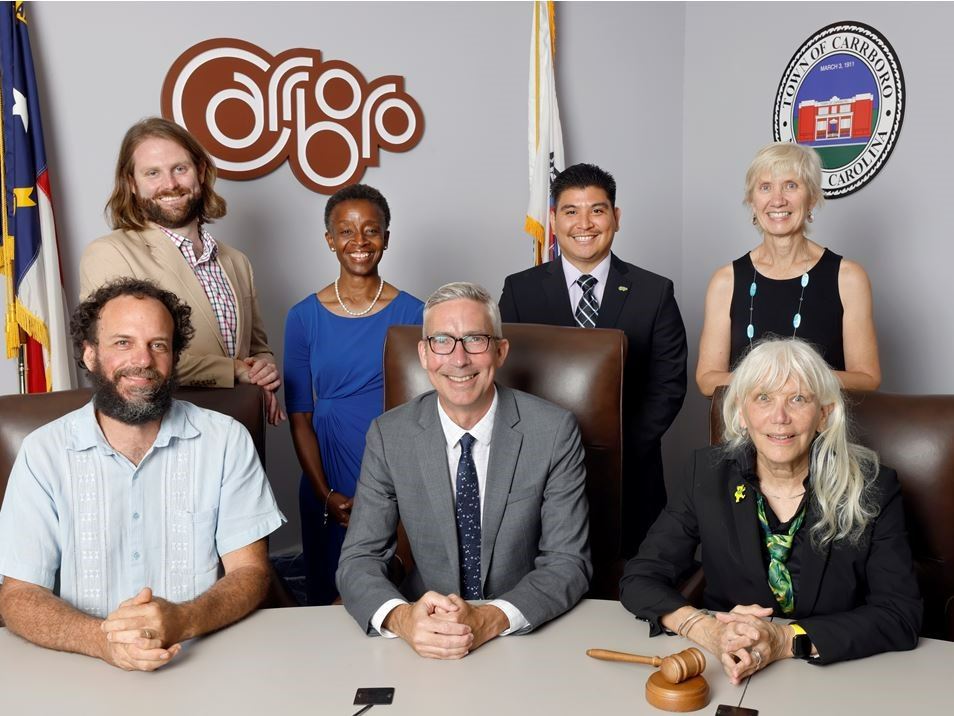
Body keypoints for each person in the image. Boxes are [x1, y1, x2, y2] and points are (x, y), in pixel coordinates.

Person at [0, 278, 285, 671]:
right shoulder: (42, 452)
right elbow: (19, 594)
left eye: (158, 344)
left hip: (203, 657)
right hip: (80, 664)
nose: (143, 360)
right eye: (122, 343)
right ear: (89, 354)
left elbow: (251, 572)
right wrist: (102, 641)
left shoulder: (226, 440)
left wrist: (183, 619)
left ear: (174, 357)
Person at [620, 338, 921, 684]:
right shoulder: (705, 473)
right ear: (741, 413)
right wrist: (706, 630)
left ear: (823, 415)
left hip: (836, 674)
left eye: (798, 399)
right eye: (763, 398)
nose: (780, 417)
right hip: (730, 667)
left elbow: (900, 614)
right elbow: (640, 578)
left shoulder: (874, 486)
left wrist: (784, 640)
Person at [337, 282, 591, 658]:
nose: (458, 359)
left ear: (500, 351)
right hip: (426, 633)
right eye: (442, 340)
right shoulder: (390, 435)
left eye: (475, 340)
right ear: (424, 354)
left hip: (522, 632)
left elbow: (568, 562)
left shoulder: (553, 432)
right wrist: (404, 619)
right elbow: (359, 560)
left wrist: (489, 619)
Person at [499, 163, 687, 556]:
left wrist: (617, 449)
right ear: (553, 219)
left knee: (633, 585)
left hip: (630, 473)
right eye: (571, 211)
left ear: (615, 217)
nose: (584, 223)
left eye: (597, 210)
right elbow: (506, 379)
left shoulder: (654, 292)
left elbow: (667, 385)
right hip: (538, 474)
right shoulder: (520, 291)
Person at [79, 117, 285, 425]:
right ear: (132, 184)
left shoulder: (236, 262)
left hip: (242, 425)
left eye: (180, 168)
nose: (170, 184)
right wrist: (234, 370)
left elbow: (257, 348)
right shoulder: (110, 253)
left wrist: (263, 370)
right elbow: (118, 359)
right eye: (153, 173)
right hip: (159, 430)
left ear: (200, 172)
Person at [284, 184, 424, 605]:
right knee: (325, 595)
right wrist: (324, 491)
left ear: (386, 237)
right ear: (330, 240)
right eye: (346, 231)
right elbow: (299, 416)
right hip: (323, 469)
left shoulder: (416, 314)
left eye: (371, 230)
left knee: (387, 592)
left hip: (391, 467)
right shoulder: (302, 316)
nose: (359, 242)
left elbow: (424, 414)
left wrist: (394, 488)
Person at [696, 142, 881, 397]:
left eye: (791, 185)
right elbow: (707, 380)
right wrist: (771, 378)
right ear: (752, 201)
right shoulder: (725, 281)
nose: (777, 199)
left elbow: (868, 379)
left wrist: (797, 376)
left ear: (812, 198)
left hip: (823, 433)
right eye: (765, 187)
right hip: (745, 433)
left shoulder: (848, 278)